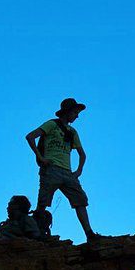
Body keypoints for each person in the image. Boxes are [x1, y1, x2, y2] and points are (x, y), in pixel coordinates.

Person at [25, 98, 104, 241]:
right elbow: (30, 137)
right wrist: (41, 158)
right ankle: (37, 234)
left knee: (80, 201)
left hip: (67, 173)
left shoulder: (72, 131)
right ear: (67, 112)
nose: (77, 116)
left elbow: (82, 154)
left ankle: (89, 234)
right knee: (43, 203)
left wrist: (79, 171)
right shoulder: (51, 124)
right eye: (75, 112)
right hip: (51, 169)